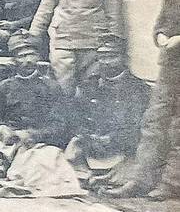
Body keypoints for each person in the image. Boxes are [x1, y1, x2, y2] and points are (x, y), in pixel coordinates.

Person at [107, 0, 180, 199]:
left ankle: (171, 183)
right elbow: (161, 23)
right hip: (170, 65)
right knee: (154, 121)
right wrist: (161, 36)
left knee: (178, 127)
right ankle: (142, 179)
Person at [63, 34, 150, 189]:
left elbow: (139, 126)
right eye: (102, 57)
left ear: (124, 58)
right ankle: (88, 176)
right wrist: (87, 136)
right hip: (91, 147)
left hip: (121, 149)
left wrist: (111, 139)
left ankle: (104, 178)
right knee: (70, 154)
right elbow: (74, 117)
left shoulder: (139, 89)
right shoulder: (88, 86)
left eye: (112, 56)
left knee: (128, 169)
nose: (106, 62)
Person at [0, 33, 69, 149]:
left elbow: (59, 126)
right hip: (9, 142)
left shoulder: (51, 86)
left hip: (41, 143)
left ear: (39, 57)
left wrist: (32, 134)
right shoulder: (5, 86)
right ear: (14, 60)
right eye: (21, 56)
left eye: (32, 55)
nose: (28, 60)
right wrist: (2, 129)